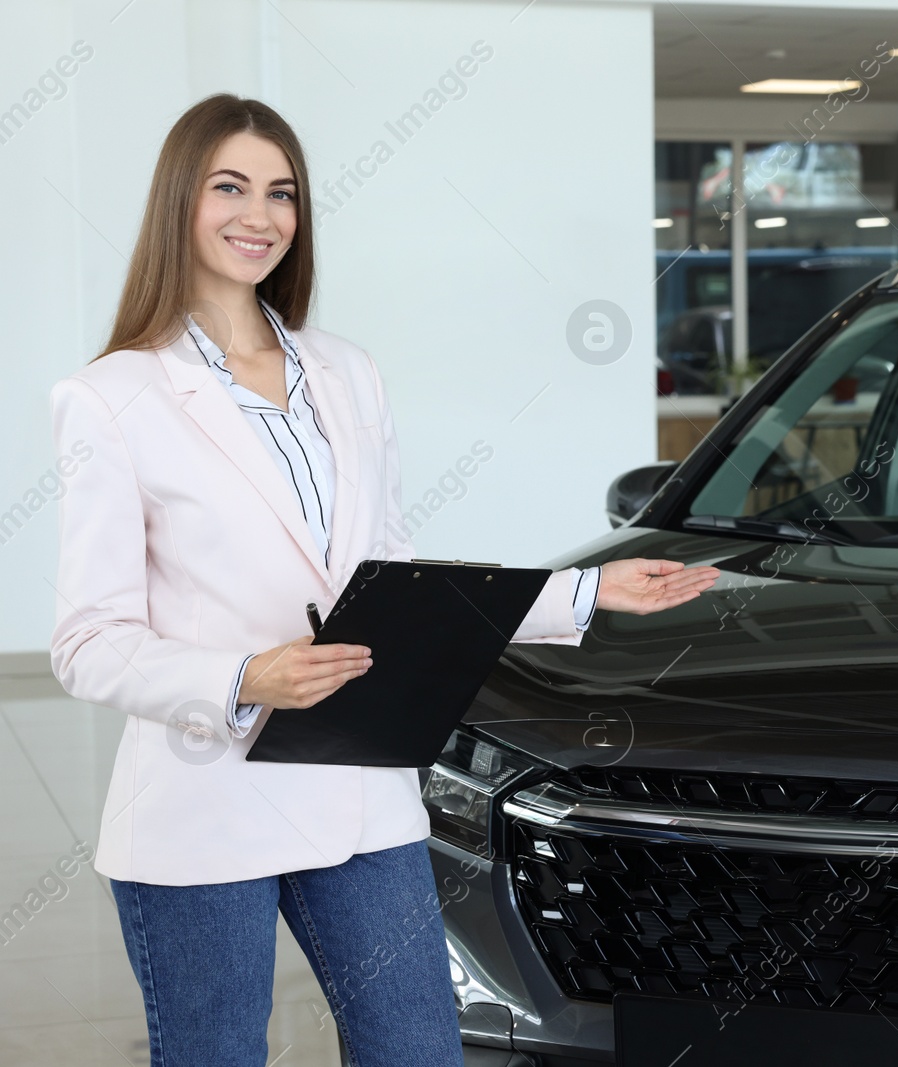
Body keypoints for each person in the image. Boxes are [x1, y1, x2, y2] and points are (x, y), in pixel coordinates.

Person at [47, 93, 719, 1067]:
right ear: (179, 201)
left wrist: (585, 592)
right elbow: (85, 641)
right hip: (203, 803)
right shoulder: (109, 397)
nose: (260, 213)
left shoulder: (346, 372)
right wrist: (245, 674)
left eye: (281, 192)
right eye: (230, 185)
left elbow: (393, 586)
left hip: (356, 789)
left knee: (416, 1048)